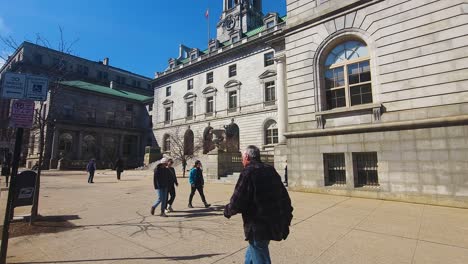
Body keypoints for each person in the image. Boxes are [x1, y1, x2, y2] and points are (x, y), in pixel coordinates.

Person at [224, 145, 293, 264]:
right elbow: (284, 196)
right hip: (273, 221)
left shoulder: (248, 172)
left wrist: (228, 210)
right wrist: (287, 216)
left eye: (242, 157)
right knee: (251, 254)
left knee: (259, 254)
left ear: (246, 157)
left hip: (258, 225)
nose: (241, 160)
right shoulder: (270, 169)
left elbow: (238, 199)